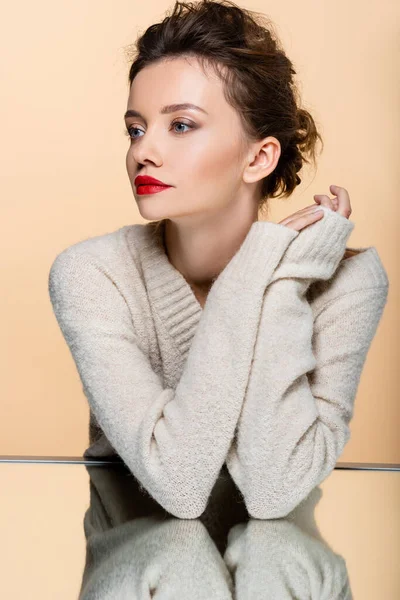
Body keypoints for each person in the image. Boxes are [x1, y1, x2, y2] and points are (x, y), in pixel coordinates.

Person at [48, 0, 389, 520]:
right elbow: (179, 484)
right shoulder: (93, 275)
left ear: (259, 157)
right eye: (135, 129)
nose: (144, 152)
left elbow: (275, 489)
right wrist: (257, 270)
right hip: (139, 568)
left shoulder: (347, 282)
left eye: (180, 125)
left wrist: (280, 282)